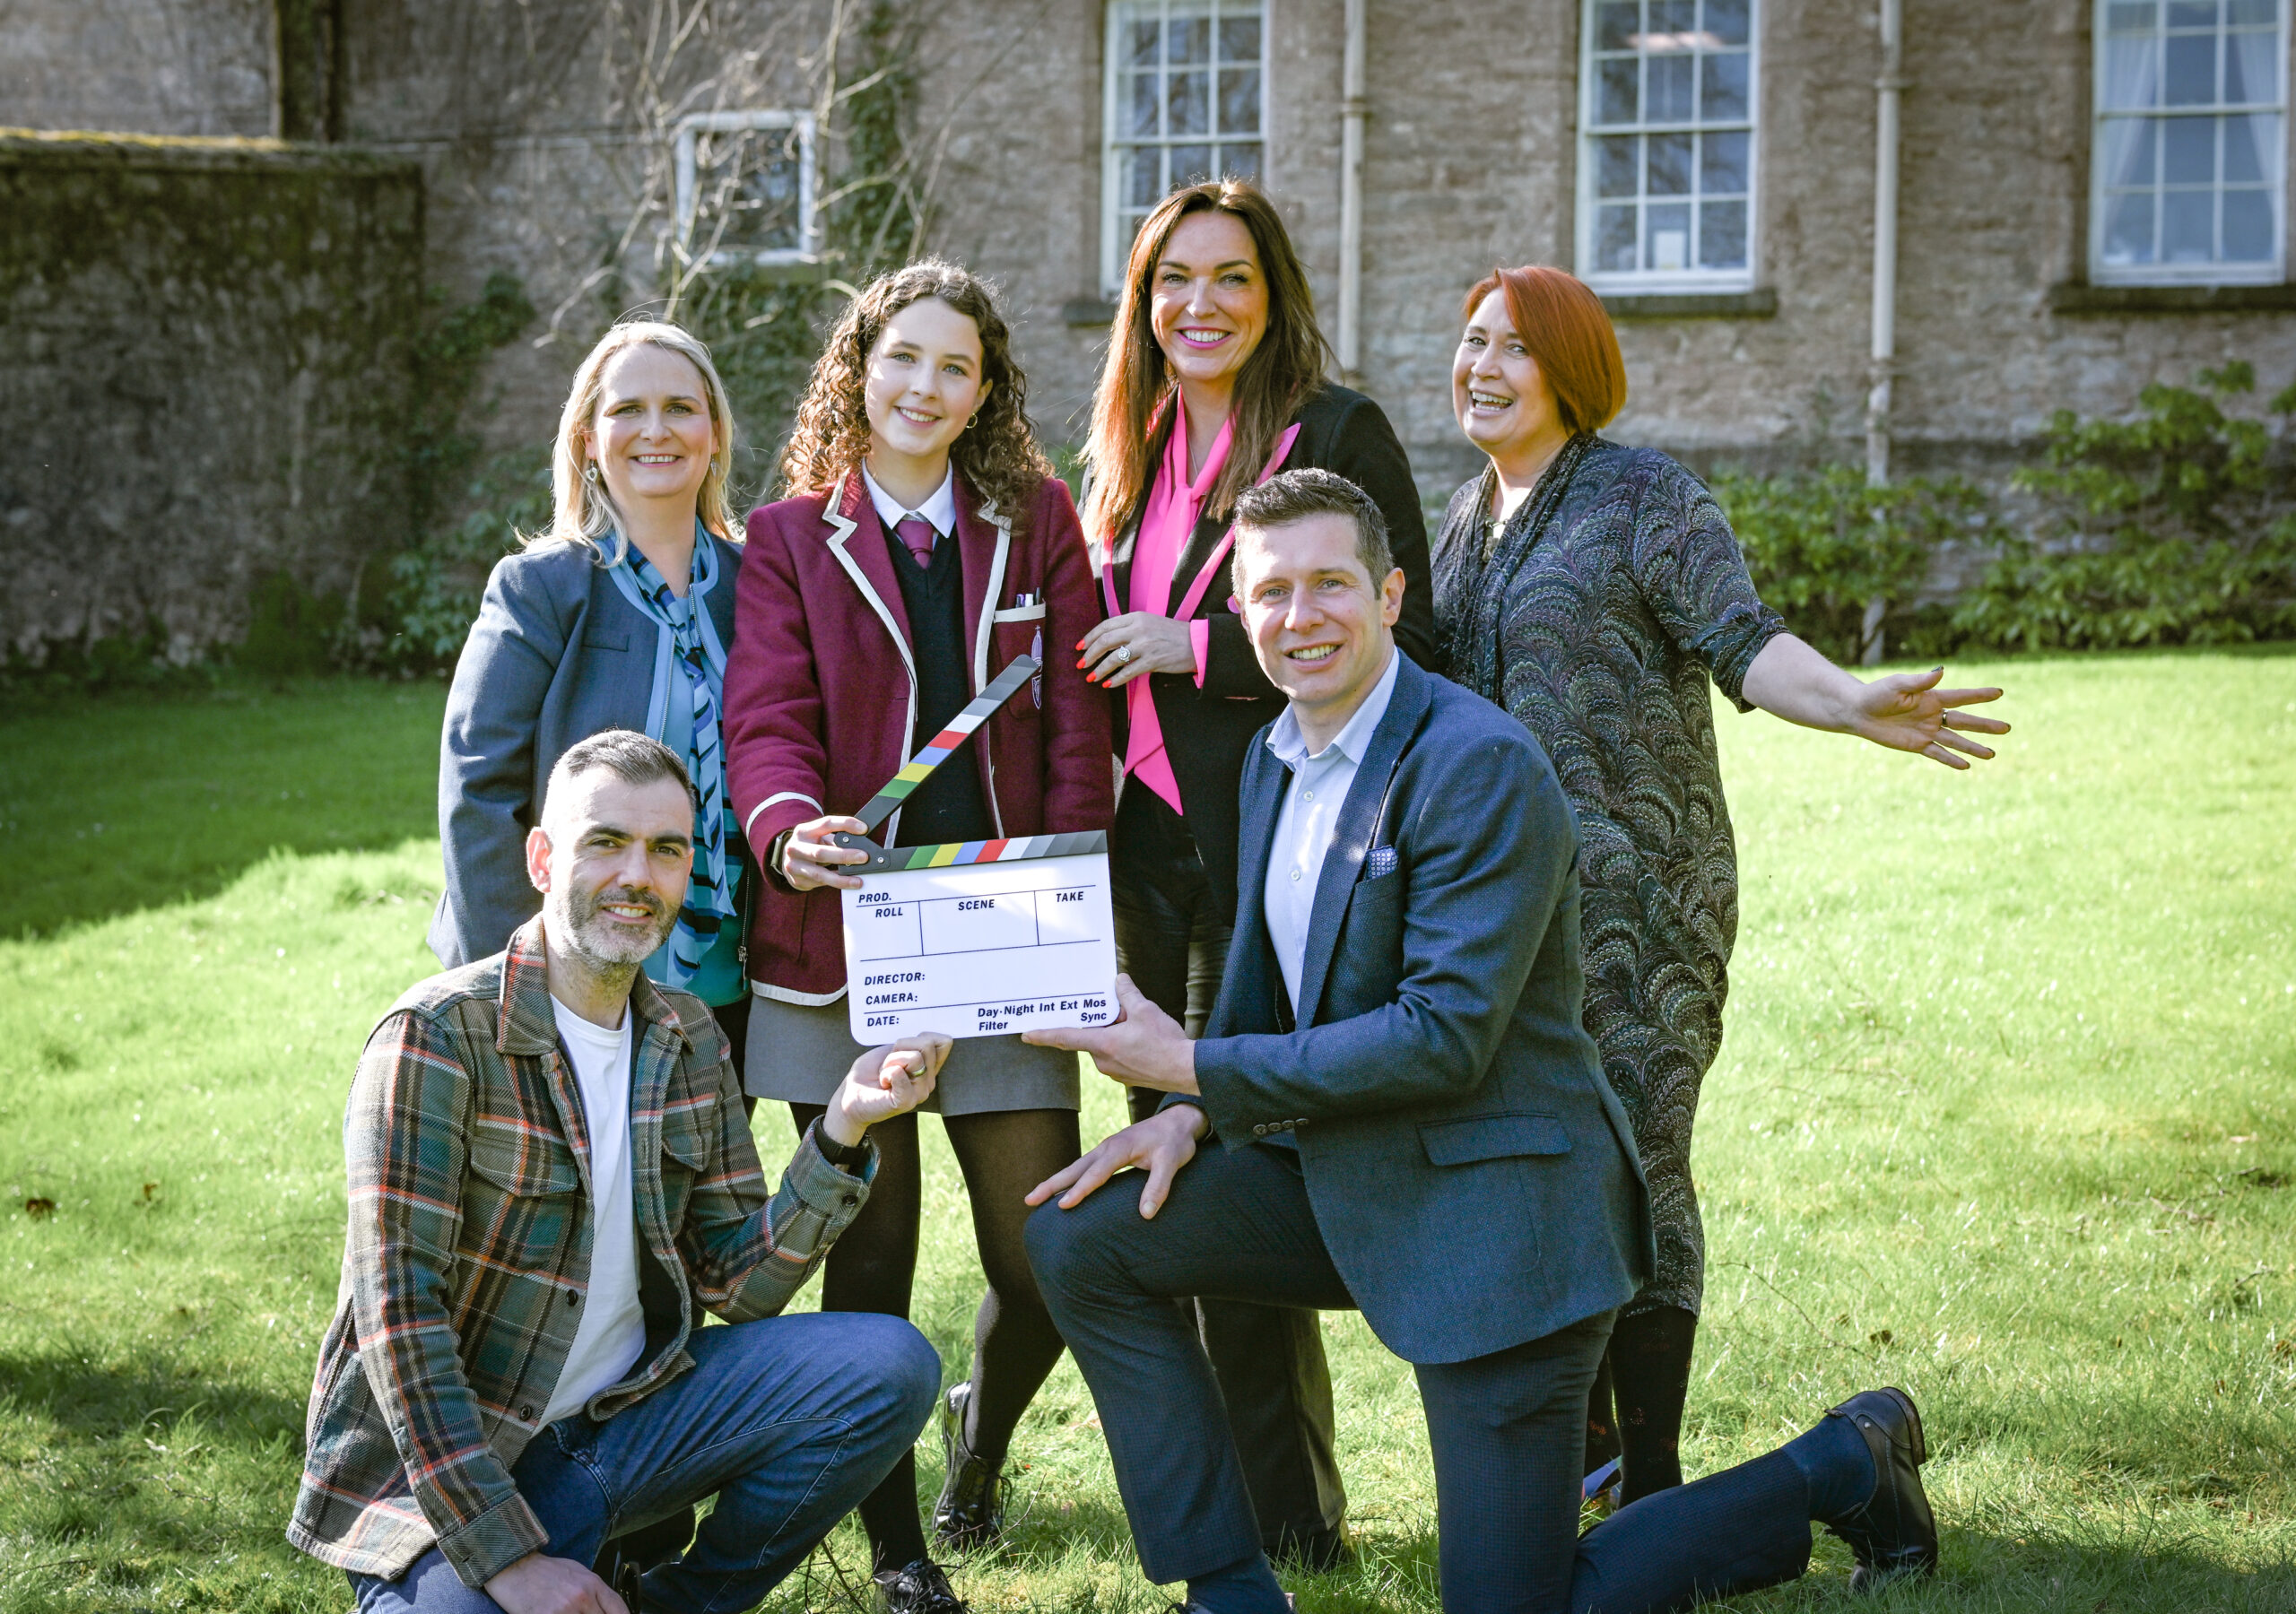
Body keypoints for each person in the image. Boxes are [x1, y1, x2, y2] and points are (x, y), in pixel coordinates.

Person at [1020, 470, 1940, 1614]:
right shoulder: (1268, 760)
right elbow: (1263, 988)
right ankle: (1227, 1588)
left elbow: (1442, 1040)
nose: (1298, 617)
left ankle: (1839, 1465)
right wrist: (1190, 1116)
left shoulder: (1479, 764)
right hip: (1345, 1176)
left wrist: (1190, 1067)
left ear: (1392, 592)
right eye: (1269, 594)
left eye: (1329, 585)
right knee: (1079, 1238)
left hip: (1503, 1218)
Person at [1429, 265, 2010, 1506]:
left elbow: (1744, 643)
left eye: (1513, 350)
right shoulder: (1455, 522)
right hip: (1494, 920)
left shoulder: (1646, 497)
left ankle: (1652, 1477)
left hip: (1638, 907)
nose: (1482, 366)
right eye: (1471, 341)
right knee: (1526, 1168)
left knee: (1636, 1165)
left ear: (1570, 371)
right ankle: (1580, 1458)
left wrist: (1851, 702)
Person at [291, 730, 955, 1614]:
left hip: (620, 1433)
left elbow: (738, 1283)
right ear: (541, 858)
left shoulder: (687, 1038)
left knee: (887, 1365)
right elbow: (400, 1329)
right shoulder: (435, 1039)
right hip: (443, 1480)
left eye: (666, 851)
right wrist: (509, 1558)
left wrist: (841, 1127)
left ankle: (680, 1601)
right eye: (605, 842)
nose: (637, 878)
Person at [722, 259, 1112, 1611]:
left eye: (957, 368)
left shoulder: (1036, 521)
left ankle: (980, 1445)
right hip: (847, 942)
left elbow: (1075, 730)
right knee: (869, 1262)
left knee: (1047, 1255)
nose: (926, 388)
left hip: (1007, 926)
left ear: (986, 390)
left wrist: (1066, 896)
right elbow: (762, 714)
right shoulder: (785, 537)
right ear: (858, 368)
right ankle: (896, 1552)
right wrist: (786, 826)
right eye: (903, 360)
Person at [1074, 176, 1434, 1570]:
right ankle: (1003, 1452)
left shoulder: (1335, 434)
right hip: (1138, 858)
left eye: (1230, 277)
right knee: (1130, 1166)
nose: (1201, 305)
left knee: (1229, 1149)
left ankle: (1293, 1520)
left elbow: (1416, 635)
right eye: (1174, 280)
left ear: (1273, 291)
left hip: (1276, 855)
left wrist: (1198, 649)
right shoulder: (1125, 448)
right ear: (1144, 304)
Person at [429, 317, 757, 1577]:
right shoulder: (545, 587)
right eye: (628, 409)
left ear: (717, 431)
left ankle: (648, 1504)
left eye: (682, 407)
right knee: (558, 1231)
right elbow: (477, 787)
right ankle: (509, 1491)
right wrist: (492, 990)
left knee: (672, 1230)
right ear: (587, 436)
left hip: (712, 972)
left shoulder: (753, 578)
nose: (657, 431)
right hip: (572, 975)